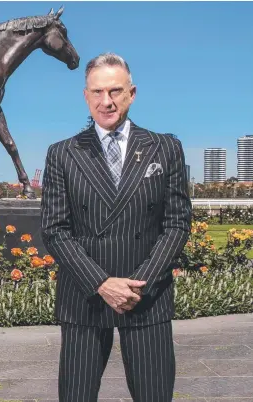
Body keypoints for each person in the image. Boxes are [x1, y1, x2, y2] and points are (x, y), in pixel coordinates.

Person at [41, 52, 192, 402]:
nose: (105, 101)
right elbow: (54, 230)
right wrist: (101, 283)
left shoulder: (165, 148)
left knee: (154, 395)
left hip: (146, 296)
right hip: (85, 298)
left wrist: (139, 284)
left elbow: (177, 224)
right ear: (85, 95)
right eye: (97, 92)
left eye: (114, 91)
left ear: (132, 93)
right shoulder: (62, 154)